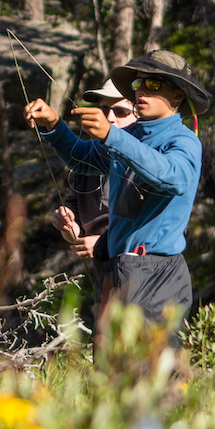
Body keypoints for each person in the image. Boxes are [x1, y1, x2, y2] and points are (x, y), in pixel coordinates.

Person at [24, 49, 211, 339]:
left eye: (154, 84)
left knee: (149, 374)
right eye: (138, 84)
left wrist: (113, 136)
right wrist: (53, 124)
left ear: (178, 95)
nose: (141, 91)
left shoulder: (183, 141)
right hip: (117, 267)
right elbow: (81, 157)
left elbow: (173, 178)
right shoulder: (131, 135)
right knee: (111, 374)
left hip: (157, 272)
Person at [52, 78, 137, 324]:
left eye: (120, 111)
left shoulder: (145, 162)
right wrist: (68, 224)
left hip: (139, 274)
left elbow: (152, 227)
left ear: (139, 115)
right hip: (104, 275)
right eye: (103, 110)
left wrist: (102, 244)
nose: (110, 118)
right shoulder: (89, 156)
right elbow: (76, 222)